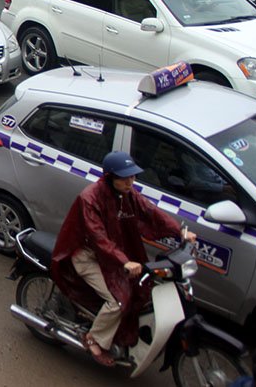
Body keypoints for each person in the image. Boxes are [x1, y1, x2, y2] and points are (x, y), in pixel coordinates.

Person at [50, 151, 196, 367]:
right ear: (110, 177)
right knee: (118, 300)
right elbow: (98, 237)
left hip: (112, 256)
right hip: (88, 257)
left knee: (140, 289)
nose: (130, 182)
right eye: (124, 178)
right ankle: (93, 338)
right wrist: (124, 261)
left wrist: (179, 232)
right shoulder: (89, 199)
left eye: (133, 177)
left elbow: (151, 212)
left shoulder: (128, 194)